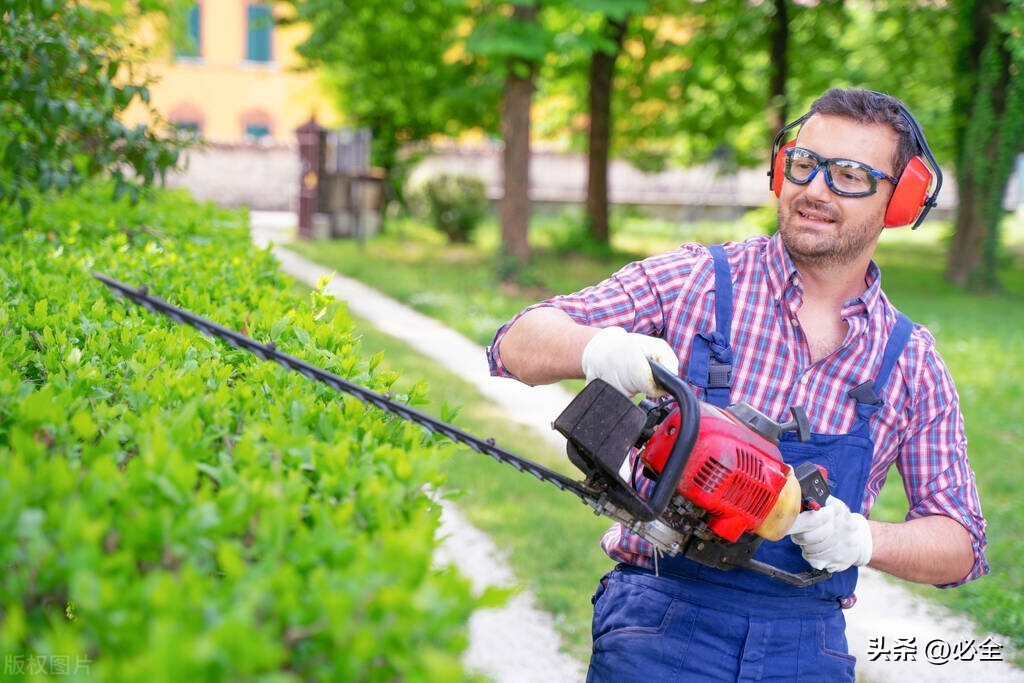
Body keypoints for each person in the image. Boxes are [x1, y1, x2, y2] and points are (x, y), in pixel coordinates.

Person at [486, 88, 988, 682]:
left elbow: (961, 542)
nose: (817, 189)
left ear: (897, 201)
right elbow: (514, 344)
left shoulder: (910, 361)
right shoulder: (697, 279)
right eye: (806, 164)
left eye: (850, 175)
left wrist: (862, 538)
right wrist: (595, 348)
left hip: (806, 648)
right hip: (660, 622)